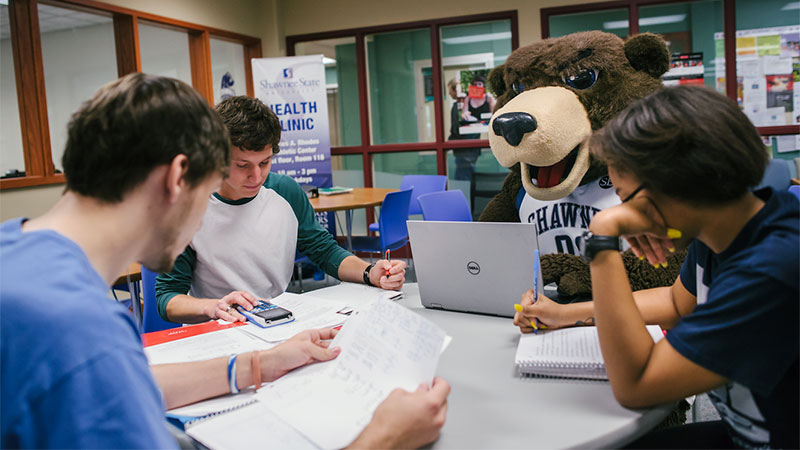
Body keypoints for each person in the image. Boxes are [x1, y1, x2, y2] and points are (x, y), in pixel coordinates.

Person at [0, 73, 450, 449]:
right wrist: (381, 438)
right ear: (179, 178)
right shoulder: (78, 332)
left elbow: (125, 383)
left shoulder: (21, 264)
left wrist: (260, 364)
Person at [515, 86, 798, 448]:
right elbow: (677, 304)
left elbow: (636, 385)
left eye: (626, 199)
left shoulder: (773, 268)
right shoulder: (731, 225)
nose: (625, 213)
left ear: (678, 182)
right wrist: (566, 313)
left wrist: (602, 237)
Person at [156, 96, 406, 324]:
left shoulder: (284, 191)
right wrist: (214, 307)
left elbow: (324, 251)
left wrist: (368, 272)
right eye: (243, 165)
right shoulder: (186, 207)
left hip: (280, 321)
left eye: (264, 163)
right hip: (220, 328)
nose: (256, 176)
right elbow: (167, 299)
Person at [447, 78, 482, 181]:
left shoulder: (457, 108)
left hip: (463, 151)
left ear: (456, 91)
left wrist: (450, 141)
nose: (450, 95)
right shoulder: (473, 105)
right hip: (473, 151)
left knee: (462, 180)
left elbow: (456, 129)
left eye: (450, 92)